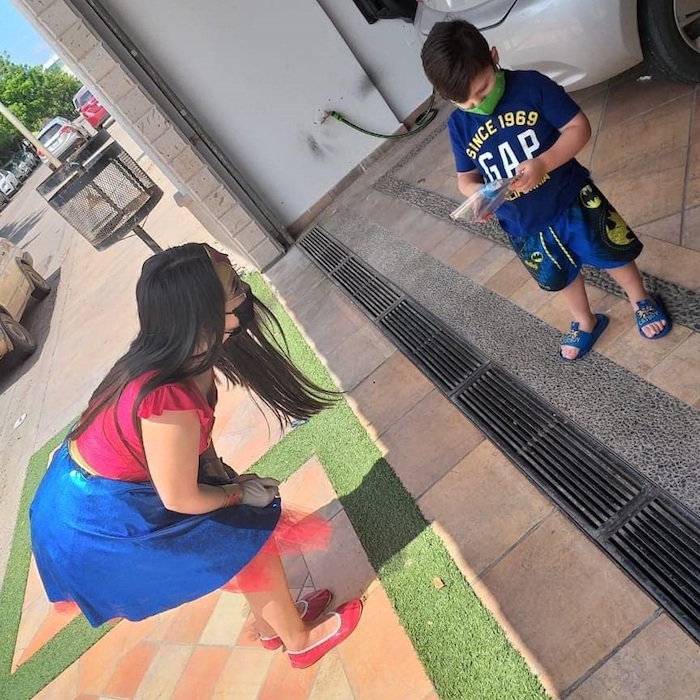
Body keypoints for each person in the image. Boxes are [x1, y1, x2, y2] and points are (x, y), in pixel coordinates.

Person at [29, 242, 362, 669]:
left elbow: (196, 447)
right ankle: (299, 642)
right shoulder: (168, 395)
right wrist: (236, 494)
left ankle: (272, 628)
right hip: (93, 521)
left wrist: (227, 481)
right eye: (235, 287)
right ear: (202, 315)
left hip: (102, 493)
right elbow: (180, 497)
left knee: (239, 527)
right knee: (241, 533)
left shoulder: (185, 358)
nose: (245, 291)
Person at [421, 20, 672, 361]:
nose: (477, 104)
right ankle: (584, 320)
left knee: (611, 252)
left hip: (572, 199)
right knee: (560, 275)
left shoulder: (531, 86)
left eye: (483, 89)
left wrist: (544, 163)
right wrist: (479, 195)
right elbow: (465, 178)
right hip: (523, 223)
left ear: (493, 57)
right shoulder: (458, 125)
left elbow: (578, 127)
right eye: (463, 101)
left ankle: (640, 299)